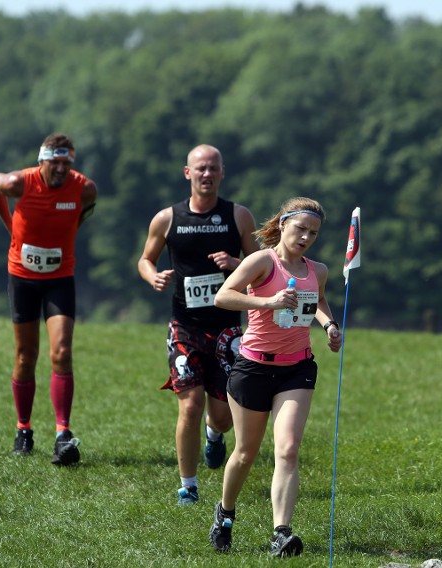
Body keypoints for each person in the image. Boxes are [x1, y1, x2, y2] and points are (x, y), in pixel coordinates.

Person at [208, 197, 342, 557]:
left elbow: (318, 301)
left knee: (288, 450)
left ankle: (281, 533)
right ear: (283, 225)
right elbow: (223, 296)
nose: (306, 238)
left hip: (296, 368)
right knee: (246, 453)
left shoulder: (318, 270)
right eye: (300, 229)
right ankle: (225, 513)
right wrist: (268, 303)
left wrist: (329, 325)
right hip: (253, 366)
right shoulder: (261, 261)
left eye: (313, 233)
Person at [138, 144, 260, 505]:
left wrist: (235, 262)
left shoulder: (239, 217)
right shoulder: (167, 219)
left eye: (213, 168)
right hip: (185, 327)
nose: (207, 174)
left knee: (222, 416)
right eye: (200, 168)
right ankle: (187, 486)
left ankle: (213, 433)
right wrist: (152, 277)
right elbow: (145, 259)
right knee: (189, 405)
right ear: (187, 173)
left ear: (222, 173)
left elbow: (263, 266)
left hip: (226, 330)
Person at [0, 133, 98, 466]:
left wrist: (67, 233)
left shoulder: (84, 189)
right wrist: (9, 222)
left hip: (60, 277)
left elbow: (84, 211)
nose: (62, 169)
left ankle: (63, 432)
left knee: (61, 352)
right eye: (55, 162)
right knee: (25, 355)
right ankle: (24, 428)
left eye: (67, 163)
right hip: (22, 276)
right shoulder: (18, 183)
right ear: (42, 161)